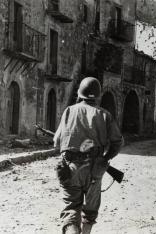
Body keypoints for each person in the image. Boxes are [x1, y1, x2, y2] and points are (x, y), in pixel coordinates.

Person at [53, 77, 123, 234]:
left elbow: (56, 142)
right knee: (90, 213)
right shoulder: (105, 115)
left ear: (80, 93)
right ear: (98, 96)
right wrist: (105, 159)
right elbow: (118, 142)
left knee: (71, 210)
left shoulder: (69, 111)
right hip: (95, 169)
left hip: (70, 167)